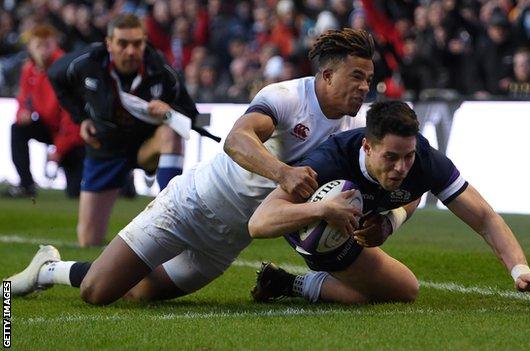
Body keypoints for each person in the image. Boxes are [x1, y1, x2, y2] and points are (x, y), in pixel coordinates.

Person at [5, 28, 376, 305]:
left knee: (136, 294)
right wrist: (283, 173)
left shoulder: (350, 130)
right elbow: (236, 140)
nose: (364, 87)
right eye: (356, 76)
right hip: (190, 207)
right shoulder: (286, 96)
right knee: (97, 292)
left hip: (226, 243)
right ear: (327, 76)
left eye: (369, 80)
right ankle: (48, 267)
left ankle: (79, 266)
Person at [248, 101, 530, 304]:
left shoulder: (424, 162)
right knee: (373, 295)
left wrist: (520, 270)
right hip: (314, 229)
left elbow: (485, 219)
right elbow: (260, 222)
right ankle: (291, 283)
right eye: (391, 157)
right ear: (367, 147)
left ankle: (282, 282)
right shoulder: (329, 162)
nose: (401, 167)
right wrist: (323, 209)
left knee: (399, 290)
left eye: (407, 156)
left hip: (358, 218)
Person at [47, 13, 198, 247]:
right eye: (123, 44)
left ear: (145, 42)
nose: (130, 51)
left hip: (145, 144)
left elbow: (190, 114)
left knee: (171, 132)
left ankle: (171, 215)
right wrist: (81, 118)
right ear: (109, 44)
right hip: (105, 147)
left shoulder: (161, 68)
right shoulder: (86, 62)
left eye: (137, 43)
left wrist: (169, 111)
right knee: (88, 240)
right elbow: (55, 76)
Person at [3, 24, 84, 199]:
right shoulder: (29, 69)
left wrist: (59, 150)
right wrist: (22, 112)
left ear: (55, 44)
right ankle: (26, 184)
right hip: (49, 127)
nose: (43, 51)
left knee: (76, 192)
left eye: (47, 45)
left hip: (72, 136)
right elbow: (24, 98)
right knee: (17, 128)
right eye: (38, 45)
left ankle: (124, 184)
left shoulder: (64, 68)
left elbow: (71, 115)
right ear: (30, 46)